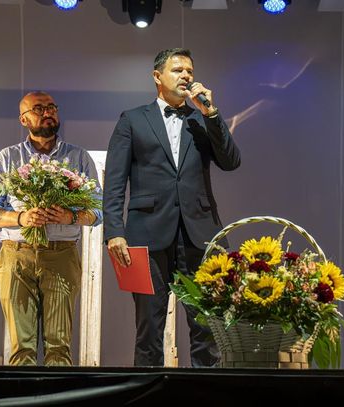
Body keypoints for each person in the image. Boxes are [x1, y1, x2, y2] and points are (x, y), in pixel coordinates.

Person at [104, 48, 241, 367]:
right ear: (157, 77)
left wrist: (211, 113)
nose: (186, 76)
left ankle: (204, 391)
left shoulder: (201, 119)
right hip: (147, 234)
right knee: (149, 328)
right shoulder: (132, 119)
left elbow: (231, 161)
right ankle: (149, 389)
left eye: (190, 71)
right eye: (178, 70)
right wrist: (114, 231)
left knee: (206, 326)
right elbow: (114, 181)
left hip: (200, 233)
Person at [0, 91, 103, 366]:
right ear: (24, 119)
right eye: (38, 109)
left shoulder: (78, 157)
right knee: (20, 347)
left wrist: (69, 216)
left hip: (61, 255)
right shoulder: (9, 157)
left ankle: (57, 390)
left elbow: (97, 212)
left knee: (59, 346)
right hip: (16, 255)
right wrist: (21, 218)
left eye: (51, 108)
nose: (47, 113)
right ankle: (20, 391)